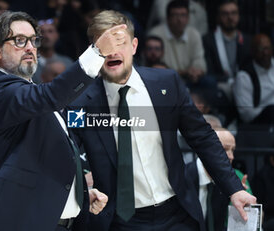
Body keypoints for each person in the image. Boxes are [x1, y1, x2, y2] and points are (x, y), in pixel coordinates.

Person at [70, 10, 256, 231]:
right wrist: (84, 188)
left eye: (119, 42)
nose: (111, 52)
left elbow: (202, 136)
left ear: (134, 46)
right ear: (93, 52)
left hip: (176, 214)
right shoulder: (81, 103)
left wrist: (234, 189)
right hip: (120, 221)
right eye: (103, 45)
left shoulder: (166, 84)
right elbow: (67, 152)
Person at [0, 11, 126, 231]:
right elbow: (53, 95)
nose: (29, 47)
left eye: (33, 40)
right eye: (19, 40)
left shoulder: (33, 95)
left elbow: (43, 157)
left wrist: (78, 193)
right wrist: (97, 52)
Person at [186, 126, 252, 231]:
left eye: (233, 150)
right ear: (205, 150)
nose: (231, 156)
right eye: (225, 149)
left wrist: (248, 209)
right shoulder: (183, 177)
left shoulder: (230, 181)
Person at [147, 0, 207, 85]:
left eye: (183, 15)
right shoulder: (156, 34)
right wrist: (185, 72)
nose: (179, 20)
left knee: (209, 82)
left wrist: (196, 71)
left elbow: (199, 60)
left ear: (188, 18)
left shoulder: (194, 34)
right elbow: (158, 68)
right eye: (175, 15)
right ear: (168, 18)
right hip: (166, 79)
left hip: (191, 77)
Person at [203, 0, 251, 97]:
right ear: (218, 17)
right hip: (220, 86)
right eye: (225, 14)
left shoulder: (247, 40)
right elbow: (209, 71)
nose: (230, 17)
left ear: (239, 15)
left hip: (245, 86)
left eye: (234, 13)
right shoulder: (208, 40)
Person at [233, 33, 274, 125]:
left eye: (268, 48)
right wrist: (267, 111)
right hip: (259, 125)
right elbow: (246, 114)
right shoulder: (244, 77)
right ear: (253, 51)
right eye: (261, 49)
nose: (265, 53)